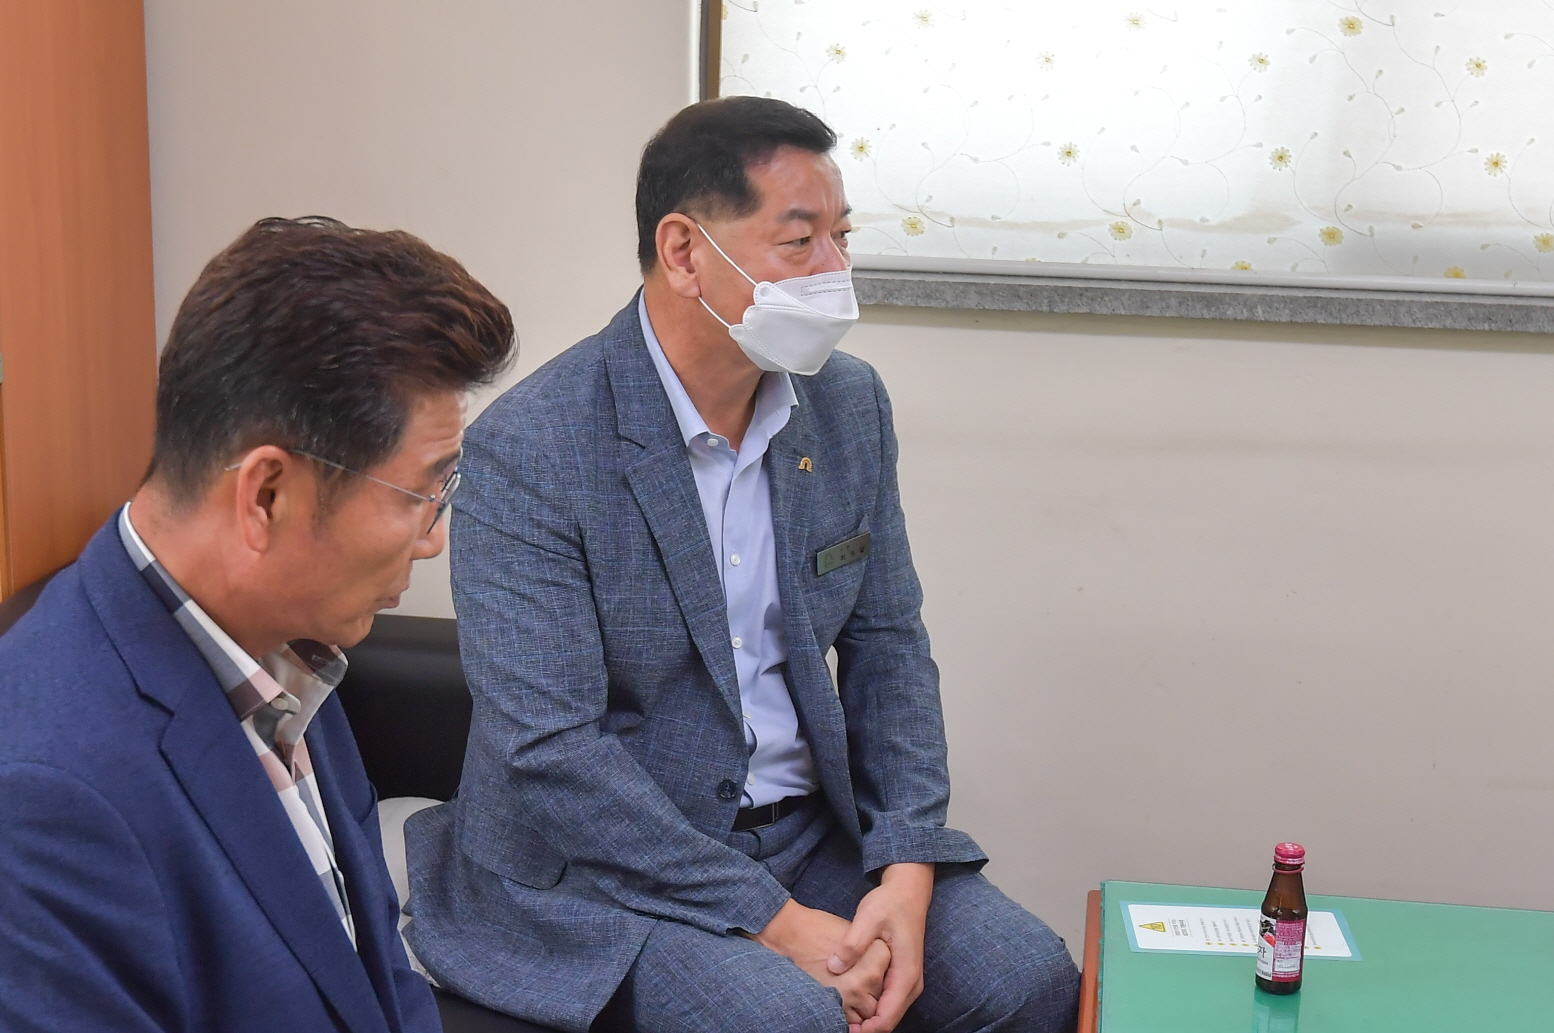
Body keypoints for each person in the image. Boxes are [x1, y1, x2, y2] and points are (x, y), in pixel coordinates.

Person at [404, 97, 1080, 1033]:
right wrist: (777, 923)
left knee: (1026, 979)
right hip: (606, 870)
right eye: (799, 242)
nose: (835, 272)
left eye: (843, 237)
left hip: (809, 835)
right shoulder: (533, 445)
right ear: (684, 252)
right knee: (786, 1020)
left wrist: (907, 865)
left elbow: (889, 646)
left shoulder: (848, 406)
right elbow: (549, 751)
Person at [0, 216, 515, 1033]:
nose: (433, 538)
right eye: (421, 493)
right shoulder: (46, 804)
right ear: (267, 494)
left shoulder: (287, 643)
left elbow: (379, 972)